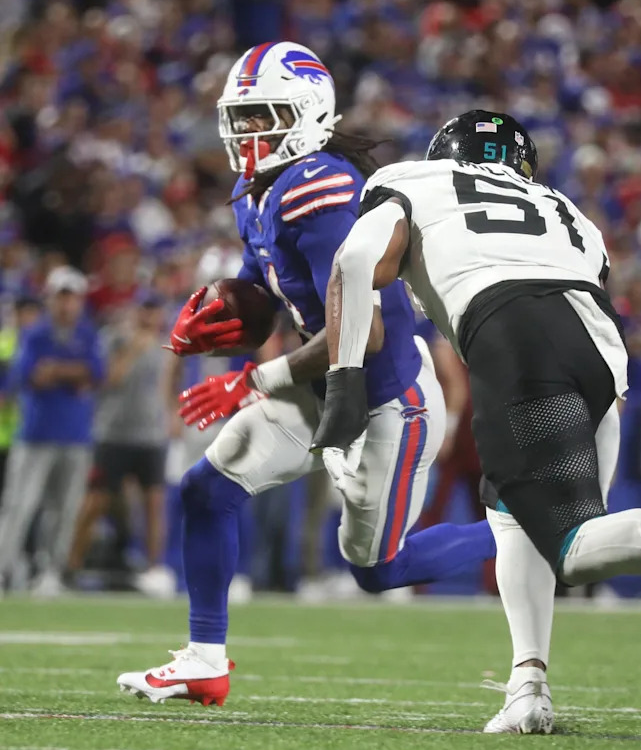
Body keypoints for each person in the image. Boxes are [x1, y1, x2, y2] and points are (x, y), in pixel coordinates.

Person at [313, 109, 641, 735]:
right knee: (518, 517)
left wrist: (344, 381)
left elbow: (354, 264)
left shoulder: (413, 180)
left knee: (573, 548)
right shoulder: (569, 210)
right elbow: (593, 297)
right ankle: (528, 685)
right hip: (599, 344)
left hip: (514, 327)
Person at [116, 43, 495, 706]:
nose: (247, 131)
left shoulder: (321, 192)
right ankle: (205, 659)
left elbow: (363, 333)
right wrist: (226, 304)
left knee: (379, 569)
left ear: (307, 114)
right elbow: (266, 279)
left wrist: (252, 380)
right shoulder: (256, 189)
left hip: (386, 398)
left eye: (265, 114)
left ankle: (524, 525)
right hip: (321, 385)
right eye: (242, 116)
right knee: (208, 487)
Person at [0, 266, 103, 596]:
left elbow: (96, 374)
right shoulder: (35, 334)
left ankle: (51, 572)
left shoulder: (87, 334)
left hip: (75, 435)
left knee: (64, 509)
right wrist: (75, 373)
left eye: (72, 297)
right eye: (62, 297)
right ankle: (5, 569)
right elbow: (31, 376)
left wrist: (57, 370)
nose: (67, 304)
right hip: (36, 434)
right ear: (51, 299)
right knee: (20, 505)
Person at [66, 291, 172, 596]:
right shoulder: (113, 338)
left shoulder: (167, 343)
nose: (150, 316)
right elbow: (109, 379)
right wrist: (134, 349)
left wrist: (169, 416)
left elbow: (167, 383)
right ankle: (70, 567)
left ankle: (154, 571)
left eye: (154, 309)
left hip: (151, 434)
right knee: (96, 502)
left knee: (154, 502)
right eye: (145, 309)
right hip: (113, 433)